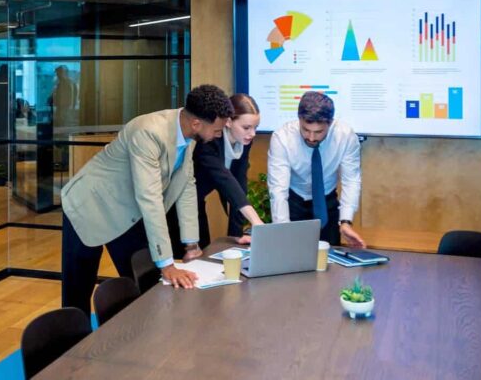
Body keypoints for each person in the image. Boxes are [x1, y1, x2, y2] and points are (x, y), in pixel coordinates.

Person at [60, 85, 233, 314]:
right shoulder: (149, 132)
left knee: (145, 282)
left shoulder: (188, 135)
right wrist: (168, 264)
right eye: (218, 130)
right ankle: (71, 347)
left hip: (127, 210)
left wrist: (191, 245)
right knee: (78, 290)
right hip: (90, 205)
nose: (219, 136)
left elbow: (186, 187)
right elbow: (150, 198)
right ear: (196, 124)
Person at [168, 93, 264, 257]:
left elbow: (239, 184)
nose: (252, 133)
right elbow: (225, 180)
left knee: (203, 252)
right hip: (177, 203)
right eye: (246, 127)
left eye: (255, 127)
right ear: (228, 122)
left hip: (197, 201)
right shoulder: (208, 140)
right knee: (185, 256)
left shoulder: (244, 141)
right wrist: (255, 220)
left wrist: (236, 237)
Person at [267, 91, 366, 248]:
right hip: (294, 202)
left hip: (326, 202)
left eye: (319, 132)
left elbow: (351, 180)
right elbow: (278, 190)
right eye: (306, 130)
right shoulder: (282, 138)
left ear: (330, 123)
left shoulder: (345, 136)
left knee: (329, 259)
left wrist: (346, 221)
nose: (311, 138)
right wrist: (282, 229)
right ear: (299, 119)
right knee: (291, 255)